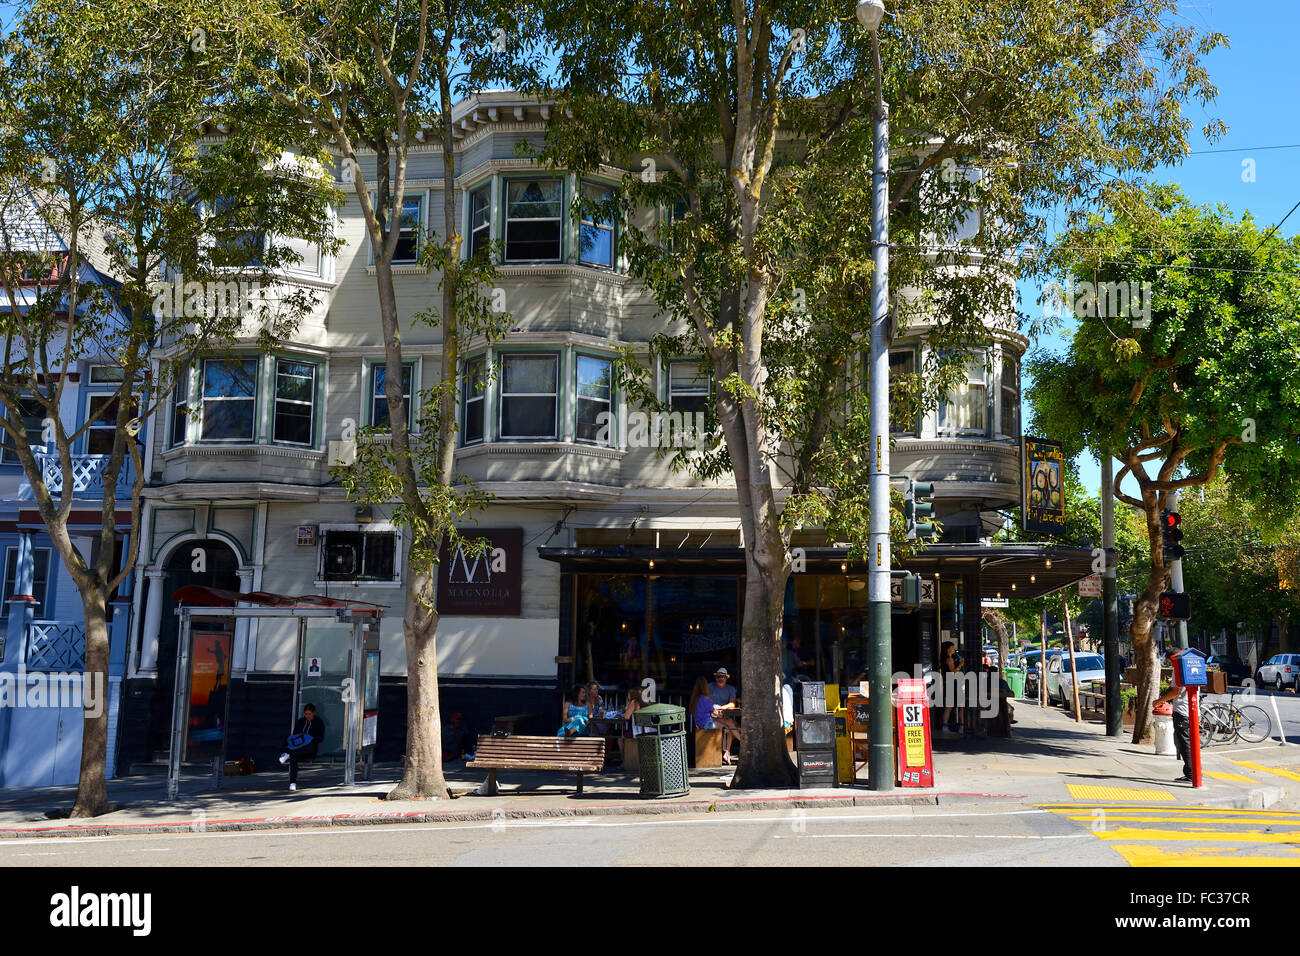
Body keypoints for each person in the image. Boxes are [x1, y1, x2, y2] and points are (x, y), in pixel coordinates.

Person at [279, 703, 325, 791]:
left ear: (313, 713)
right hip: (298, 749)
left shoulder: (318, 722)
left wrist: (310, 739)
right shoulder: (300, 721)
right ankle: (292, 783)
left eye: (309, 714)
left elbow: (320, 738)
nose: (307, 716)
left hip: (310, 750)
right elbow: (294, 736)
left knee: (298, 751)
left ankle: (288, 754)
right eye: (306, 714)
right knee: (294, 756)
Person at [1154, 684, 1193, 781]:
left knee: (1184, 743)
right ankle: (1193, 771)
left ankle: (1191, 773)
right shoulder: (1193, 669)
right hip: (1192, 710)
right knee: (1189, 742)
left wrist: (1158, 701)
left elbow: (1175, 692)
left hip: (1182, 711)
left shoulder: (1178, 671)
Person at [708, 668, 742, 764]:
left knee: (731, 727)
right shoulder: (710, 687)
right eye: (718, 676)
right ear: (715, 678)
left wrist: (723, 707)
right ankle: (744, 745)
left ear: (726, 678)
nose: (720, 678)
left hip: (722, 716)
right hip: (710, 716)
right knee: (731, 725)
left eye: (723, 677)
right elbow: (705, 702)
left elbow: (732, 704)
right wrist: (715, 710)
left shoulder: (730, 689)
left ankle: (726, 753)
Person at [938, 642, 963, 737]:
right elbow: (953, 672)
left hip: (951, 683)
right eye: (952, 647)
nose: (954, 649)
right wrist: (960, 664)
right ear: (948, 649)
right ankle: (959, 726)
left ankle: (947, 725)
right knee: (954, 705)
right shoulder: (949, 659)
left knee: (952, 705)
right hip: (952, 683)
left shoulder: (950, 658)